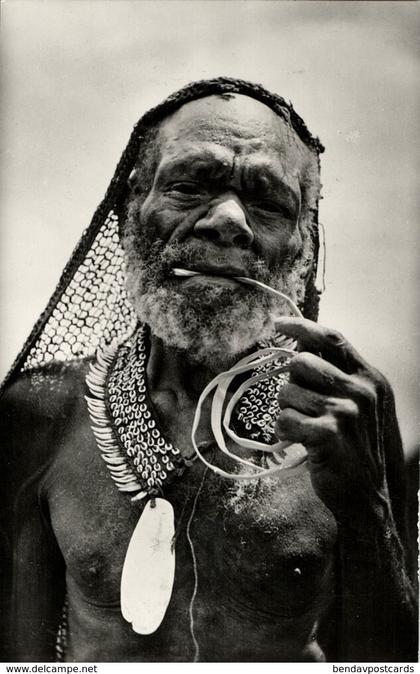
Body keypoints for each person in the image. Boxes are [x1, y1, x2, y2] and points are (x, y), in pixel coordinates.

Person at [0, 77, 417, 663]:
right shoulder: (38, 413)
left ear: (304, 247)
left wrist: (366, 510)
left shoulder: (345, 417)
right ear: (127, 215)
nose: (228, 220)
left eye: (268, 202)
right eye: (191, 185)